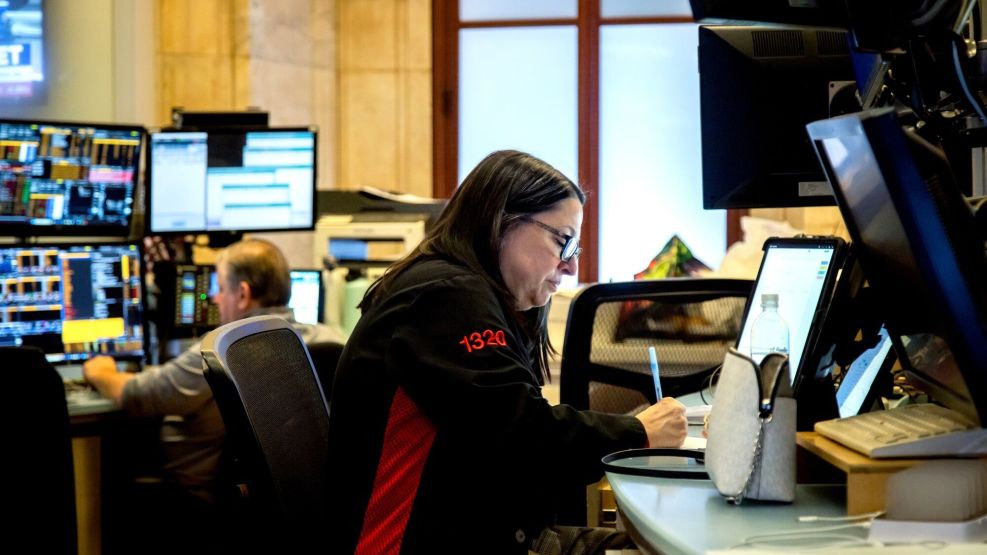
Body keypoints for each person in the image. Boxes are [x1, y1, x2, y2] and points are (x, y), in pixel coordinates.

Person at [326, 150, 688, 554]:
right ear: (502, 222)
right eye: (561, 241)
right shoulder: (448, 298)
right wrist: (639, 433)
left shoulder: (463, 292)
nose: (569, 268)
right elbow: (524, 438)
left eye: (575, 250)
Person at [84, 238, 344, 553]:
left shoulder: (226, 350)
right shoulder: (331, 340)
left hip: (200, 503)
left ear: (243, 294)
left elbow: (138, 395)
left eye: (220, 287)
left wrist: (101, 372)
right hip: (295, 506)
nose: (216, 297)